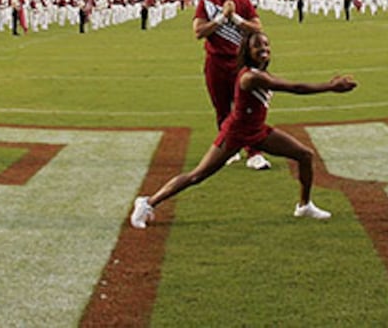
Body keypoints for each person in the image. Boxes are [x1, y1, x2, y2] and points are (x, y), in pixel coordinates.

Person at [130, 31, 356, 228]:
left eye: (266, 44)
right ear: (247, 51)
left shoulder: (260, 72)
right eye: (257, 45)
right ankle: (148, 203)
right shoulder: (250, 77)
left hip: (257, 131)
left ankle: (304, 205)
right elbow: (294, 88)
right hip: (235, 134)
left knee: (305, 155)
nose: (264, 49)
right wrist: (331, 86)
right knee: (196, 176)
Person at [194, 0, 269, 169]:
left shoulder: (243, 3)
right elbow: (199, 31)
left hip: (240, 64)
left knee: (247, 108)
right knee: (222, 108)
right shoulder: (206, 4)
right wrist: (221, 18)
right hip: (216, 63)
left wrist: (235, 18)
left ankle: (254, 152)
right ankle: (228, 150)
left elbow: (257, 27)